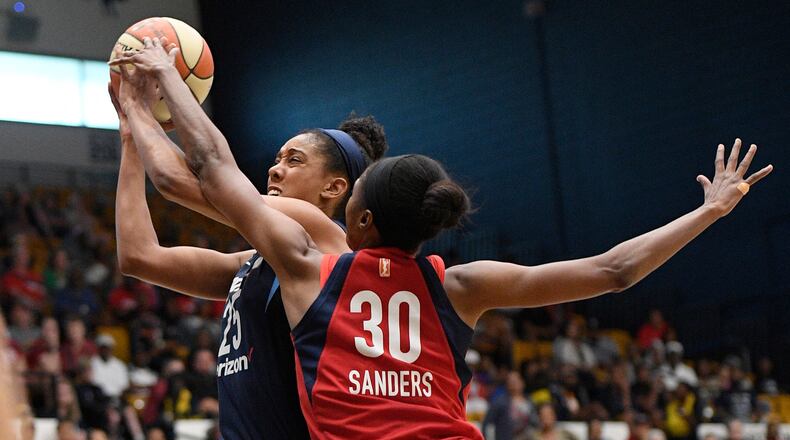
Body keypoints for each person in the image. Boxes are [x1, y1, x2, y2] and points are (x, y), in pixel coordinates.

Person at [115, 37, 772, 439]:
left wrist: (151, 89)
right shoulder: (457, 285)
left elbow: (197, 172)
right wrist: (709, 212)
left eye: (292, 160)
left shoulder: (310, 256)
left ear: (349, 207)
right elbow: (612, 270)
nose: (274, 169)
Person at [109, 41, 387, 439]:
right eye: (277, 158)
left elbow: (179, 182)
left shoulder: (322, 234)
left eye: (294, 161)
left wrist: (141, 104)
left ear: (334, 187)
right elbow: (139, 256)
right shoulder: (253, 264)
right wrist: (129, 141)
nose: (275, 170)